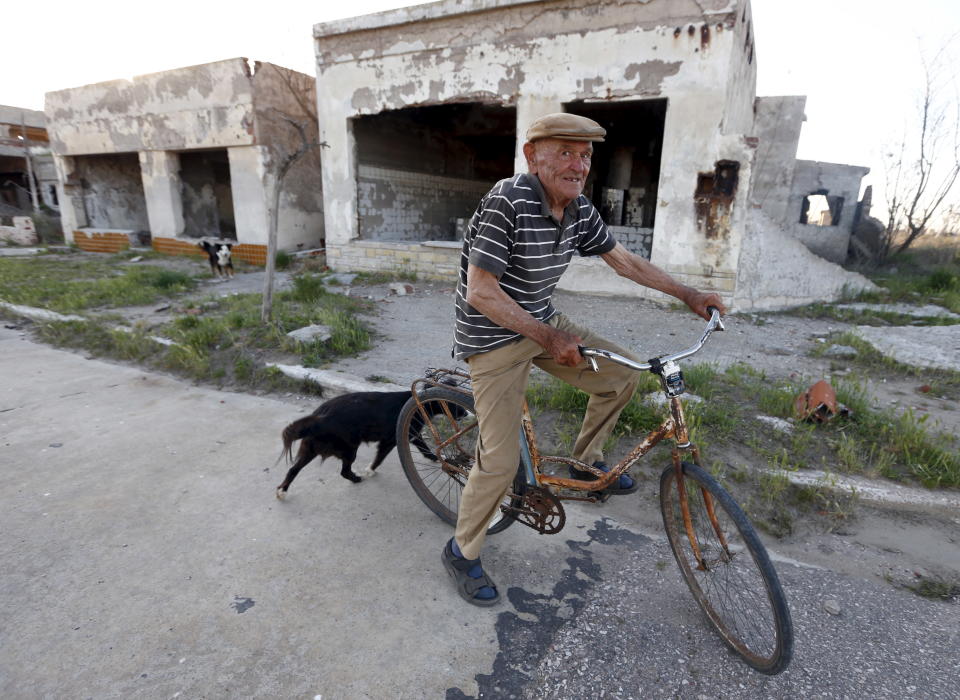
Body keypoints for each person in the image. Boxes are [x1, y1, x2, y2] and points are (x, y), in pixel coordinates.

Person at [442, 113, 726, 606]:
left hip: (543, 324)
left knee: (621, 375)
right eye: (566, 152)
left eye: (586, 155)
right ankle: (461, 551)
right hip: (491, 338)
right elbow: (481, 292)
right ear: (533, 156)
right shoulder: (507, 202)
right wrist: (547, 337)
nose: (579, 164)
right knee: (500, 460)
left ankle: (583, 464)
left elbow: (625, 262)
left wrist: (688, 293)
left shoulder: (577, 209)